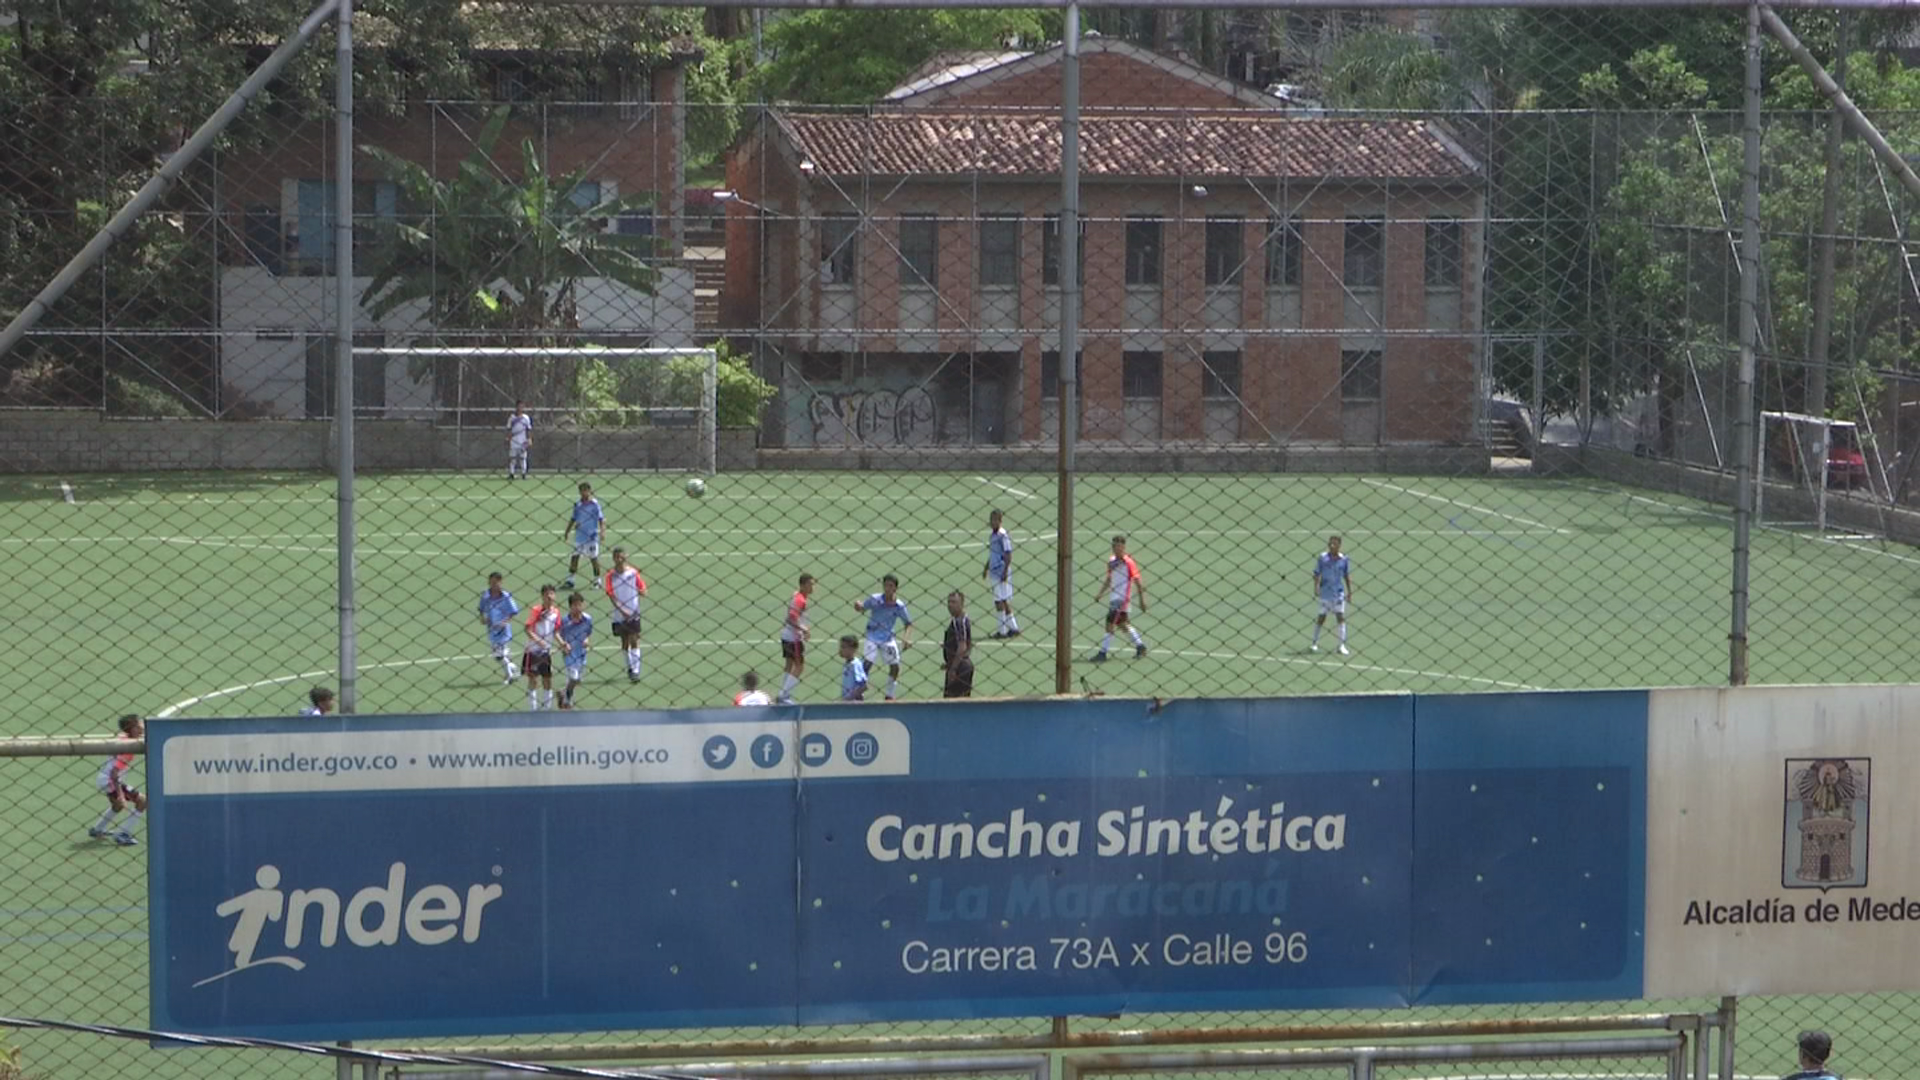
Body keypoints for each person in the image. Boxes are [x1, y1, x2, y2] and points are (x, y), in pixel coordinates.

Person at [853, 574, 914, 701]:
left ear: (895, 589)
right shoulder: (875, 599)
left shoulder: (899, 606)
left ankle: (889, 694)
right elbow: (863, 607)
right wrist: (858, 606)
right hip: (872, 636)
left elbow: (908, 624)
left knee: (895, 666)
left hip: (887, 638)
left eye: (890, 586)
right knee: (867, 664)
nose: (887, 588)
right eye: (886, 585)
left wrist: (906, 638)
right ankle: (859, 691)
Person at [88, 715, 146, 847]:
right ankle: (123, 834)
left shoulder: (123, 738)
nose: (142, 727)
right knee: (143, 801)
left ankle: (97, 829)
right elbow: (115, 773)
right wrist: (120, 794)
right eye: (139, 725)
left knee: (117, 806)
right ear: (132, 729)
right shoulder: (128, 750)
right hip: (110, 781)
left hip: (103, 779)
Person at [1091, 535, 1147, 661]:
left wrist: (1142, 600)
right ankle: (1140, 646)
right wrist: (1100, 593)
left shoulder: (1129, 562)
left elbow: (1138, 581)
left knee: (1109, 623)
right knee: (1122, 625)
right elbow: (1109, 578)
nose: (1116, 549)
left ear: (1123, 547)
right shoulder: (1111, 561)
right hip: (1114, 597)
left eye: (1119, 546)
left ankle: (1103, 653)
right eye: (1114, 546)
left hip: (1122, 598)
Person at [603, 547, 647, 683]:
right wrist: (622, 610)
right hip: (619, 615)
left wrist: (641, 591)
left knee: (635, 640)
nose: (618, 559)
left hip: (633, 613)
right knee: (624, 641)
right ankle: (629, 666)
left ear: (625, 557)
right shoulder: (610, 576)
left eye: (620, 556)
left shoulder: (633, 573)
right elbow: (611, 595)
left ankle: (635, 671)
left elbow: (644, 589)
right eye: (616, 557)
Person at [1310, 534, 1354, 656]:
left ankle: (1341, 645)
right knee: (1321, 618)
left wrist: (1349, 592)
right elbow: (1316, 573)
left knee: (1340, 617)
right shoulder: (1322, 558)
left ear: (1339, 545)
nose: (1331, 546)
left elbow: (1346, 576)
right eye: (1330, 543)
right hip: (1325, 593)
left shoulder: (1344, 559)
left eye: (1334, 544)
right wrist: (1316, 587)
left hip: (1338, 593)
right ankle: (1314, 643)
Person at [777, 573, 815, 704]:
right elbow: (791, 617)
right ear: (803, 585)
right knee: (799, 666)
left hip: (786, 635)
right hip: (794, 638)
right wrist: (803, 629)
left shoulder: (797, 596)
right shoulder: (801, 600)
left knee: (789, 664)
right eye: (810, 584)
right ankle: (784, 694)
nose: (813, 587)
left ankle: (782, 692)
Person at [983, 509, 1021, 638]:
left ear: (1000, 521)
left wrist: (1005, 571)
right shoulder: (992, 536)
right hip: (994, 571)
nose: (992, 522)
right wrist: (986, 568)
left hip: (1000, 572)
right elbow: (993, 554)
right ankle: (1014, 627)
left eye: (995, 520)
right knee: (1002, 600)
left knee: (999, 601)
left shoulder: (1002, 535)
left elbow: (1008, 554)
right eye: (991, 520)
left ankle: (1002, 631)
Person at [523, 584, 562, 710]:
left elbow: (556, 631)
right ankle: (533, 708)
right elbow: (528, 629)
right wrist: (539, 641)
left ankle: (546, 707)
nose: (550, 597)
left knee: (547, 679)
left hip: (546, 652)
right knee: (533, 679)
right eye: (547, 594)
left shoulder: (556, 612)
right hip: (533, 650)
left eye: (551, 594)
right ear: (542, 596)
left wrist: (562, 643)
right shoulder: (536, 610)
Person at [477, 572, 520, 684]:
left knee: (498, 654)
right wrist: (482, 618)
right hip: (492, 629)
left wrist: (505, 621)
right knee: (498, 655)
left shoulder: (506, 596)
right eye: (491, 583)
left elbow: (514, 611)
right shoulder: (486, 596)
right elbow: (481, 608)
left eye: (495, 583)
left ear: (500, 582)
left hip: (503, 630)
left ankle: (509, 675)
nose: (493, 585)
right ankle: (513, 668)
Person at [562, 482, 605, 589]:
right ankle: (570, 580)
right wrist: (567, 531)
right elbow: (573, 518)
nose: (583, 493)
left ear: (590, 491)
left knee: (593, 558)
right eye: (581, 490)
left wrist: (602, 531)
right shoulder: (578, 505)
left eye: (585, 490)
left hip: (591, 536)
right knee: (575, 557)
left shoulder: (595, 504)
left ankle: (597, 581)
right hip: (579, 536)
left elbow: (601, 519)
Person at [556, 591, 593, 709]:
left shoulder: (587, 619)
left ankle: (563, 692)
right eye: (575, 605)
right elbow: (557, 634)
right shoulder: (565, 621)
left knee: (577, 680)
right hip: (569, 653)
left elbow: (588, 632)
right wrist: (563, 644)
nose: (578, 608)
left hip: (581, 653)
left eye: (580, 605)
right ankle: (568, 700)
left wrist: (587, 640)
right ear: (570, 606)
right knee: (574, 677)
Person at [942, 590, 975, 699]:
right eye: (949, 602)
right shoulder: (962, 620)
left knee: (950, 703)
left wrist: (953, 669)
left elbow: (962, 646)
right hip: (961, 665)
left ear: (962, 604)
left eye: (954, 602)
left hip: (960, 668)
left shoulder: (959, 622)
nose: (950, 605)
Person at [506, 401, 533, 479]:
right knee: (512, 458)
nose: (520, 408)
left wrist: (529, 439)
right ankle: (511, 473)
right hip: (514, 440)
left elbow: (528, 429)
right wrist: (508, 438)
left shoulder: (526, 418)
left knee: (523, 458)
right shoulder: (512, 418)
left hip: (523, 440)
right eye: (519, 406)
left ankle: (523, 473)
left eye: (522, 407)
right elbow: (509, 428)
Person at [838, 635, 869, 701]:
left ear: (852, 649)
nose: (840, 650)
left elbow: (864, 686)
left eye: (843, 647)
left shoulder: (855, 664)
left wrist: (849, 698)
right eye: (840, 647)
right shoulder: (847, 664)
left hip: (854, 702)